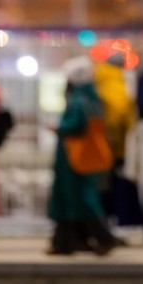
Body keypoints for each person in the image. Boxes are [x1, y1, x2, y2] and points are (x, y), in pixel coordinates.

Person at [47, 56, 120, 256]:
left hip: (74, 158)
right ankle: (69, 242)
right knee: (76, 200)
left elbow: (76, 125)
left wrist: (59, 128)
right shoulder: (92, 98)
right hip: (84, 158)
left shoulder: (78, 100)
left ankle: (101, 238)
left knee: (77, 200)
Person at [93, 52, 137, 224]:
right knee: (109, 185)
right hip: (111, 143)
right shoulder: (115, 80)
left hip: (97, 142)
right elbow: (120, 112)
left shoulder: (98, 75)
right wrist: (120, 145)